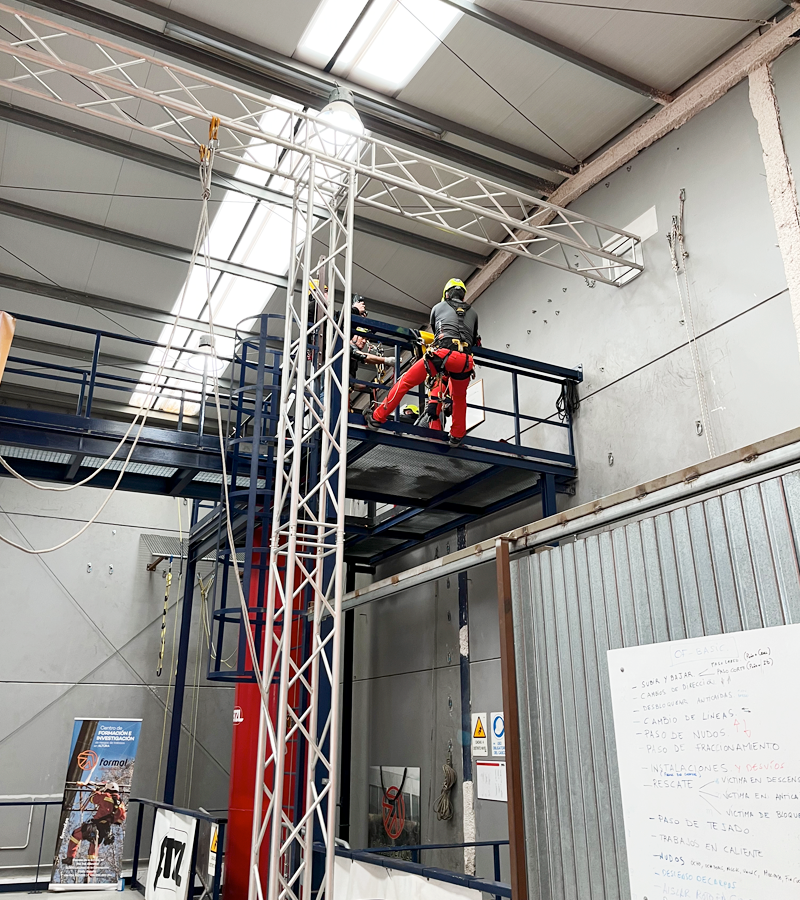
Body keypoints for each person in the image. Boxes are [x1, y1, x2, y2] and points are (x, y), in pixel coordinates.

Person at [367, 279, 478, 447]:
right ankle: (456, 436)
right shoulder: (474, 313)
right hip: (465, 361)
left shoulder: (438, 308)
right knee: (460, 397)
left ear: (446, 294)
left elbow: (437, 331)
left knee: (405, 382)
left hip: (442, 355)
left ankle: (377, 418)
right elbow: (474, 339)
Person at [63, 782, 126, 868]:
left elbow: (93, 799)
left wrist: (96, 792)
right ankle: (89, 873)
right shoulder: (121, 805)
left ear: (108, 789)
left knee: (75, 835)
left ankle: (70, 857)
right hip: (105, 831)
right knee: (93, 850)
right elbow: (120, 820)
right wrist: (112, 818)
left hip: (95, 826)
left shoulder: (106, 796)